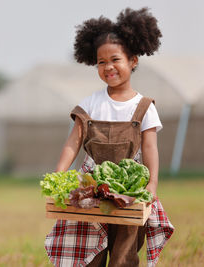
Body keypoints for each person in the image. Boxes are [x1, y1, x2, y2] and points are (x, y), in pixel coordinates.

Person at [44, 7, 174, 267]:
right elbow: (74, 142)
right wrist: (59, 175)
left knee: (124, 250)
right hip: (91, 188)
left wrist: (152, 185)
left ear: (133, 60)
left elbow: (150, 149)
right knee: (89, 248)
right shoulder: (91, 103)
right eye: (101, 62)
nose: (108, 67)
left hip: (129, 190)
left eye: (115, 59)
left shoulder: (144, 106)